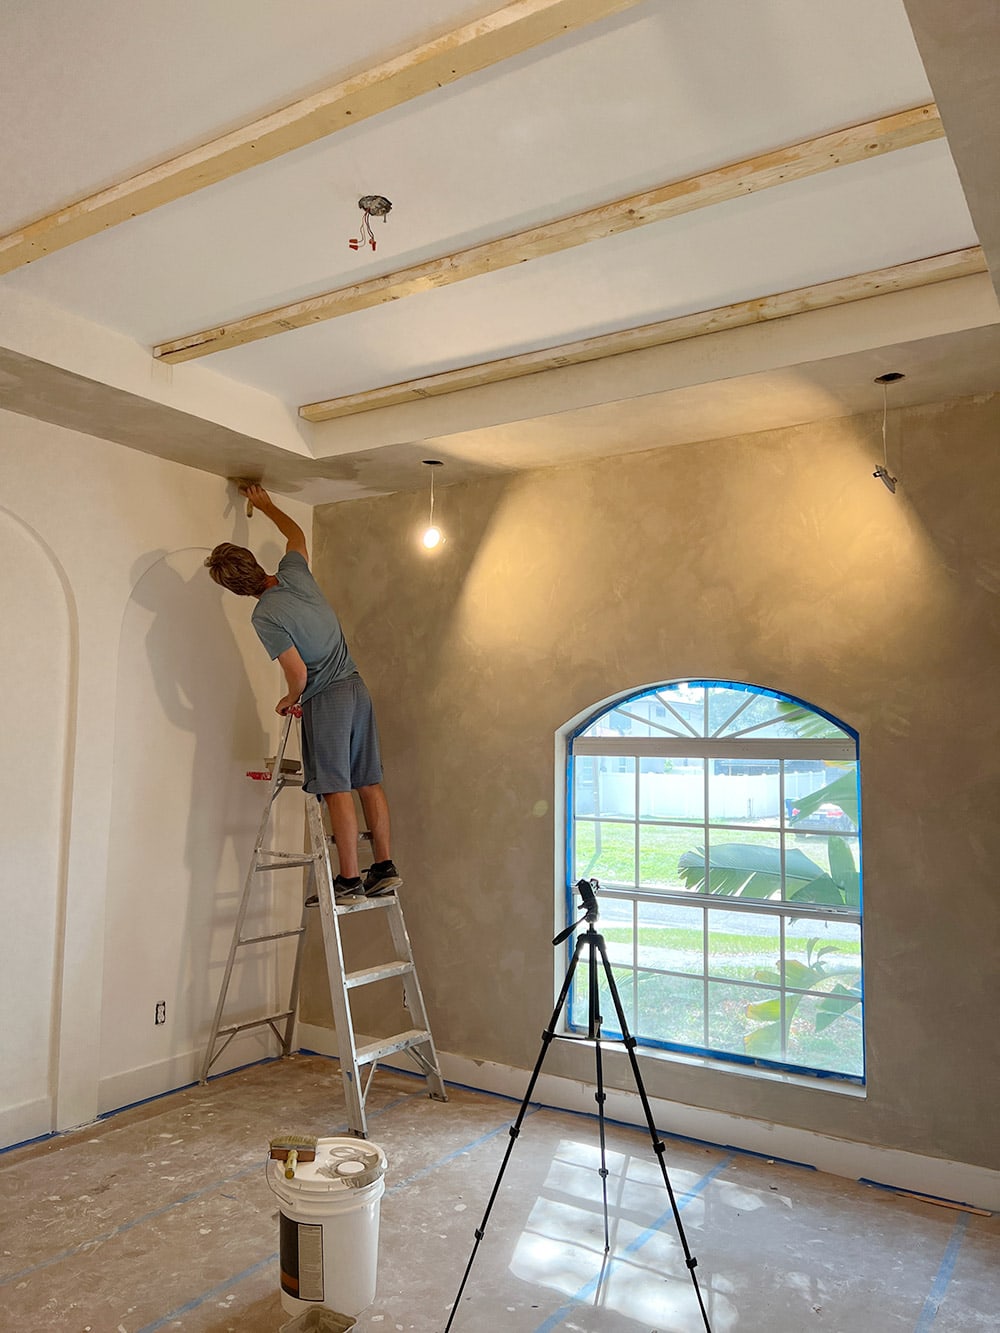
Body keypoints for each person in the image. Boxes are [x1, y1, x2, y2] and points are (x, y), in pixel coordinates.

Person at [204, 484, 401, 901]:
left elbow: (298, 675)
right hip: (356, 688)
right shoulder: (295, 574)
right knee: (368, 781)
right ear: (255, 564)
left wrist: (288, 700)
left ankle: (349, 880)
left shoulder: (265, 615)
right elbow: (296, 535)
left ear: (236, 591)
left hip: (327, 698)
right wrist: (267, 505)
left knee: (336, 788)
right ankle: (383, 867)